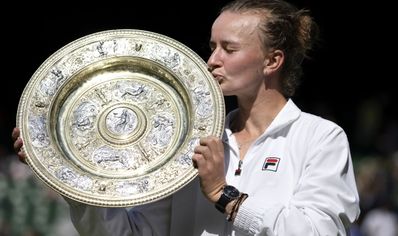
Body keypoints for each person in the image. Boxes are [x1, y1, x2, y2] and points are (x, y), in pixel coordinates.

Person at [12, 0, 360, 235]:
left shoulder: (319, 138)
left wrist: (224, 196)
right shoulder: (191, 139)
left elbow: (320, 230)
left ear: (272, 61)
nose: (211, 61)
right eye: (212, 47)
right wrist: (74, 180)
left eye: (229, 48)